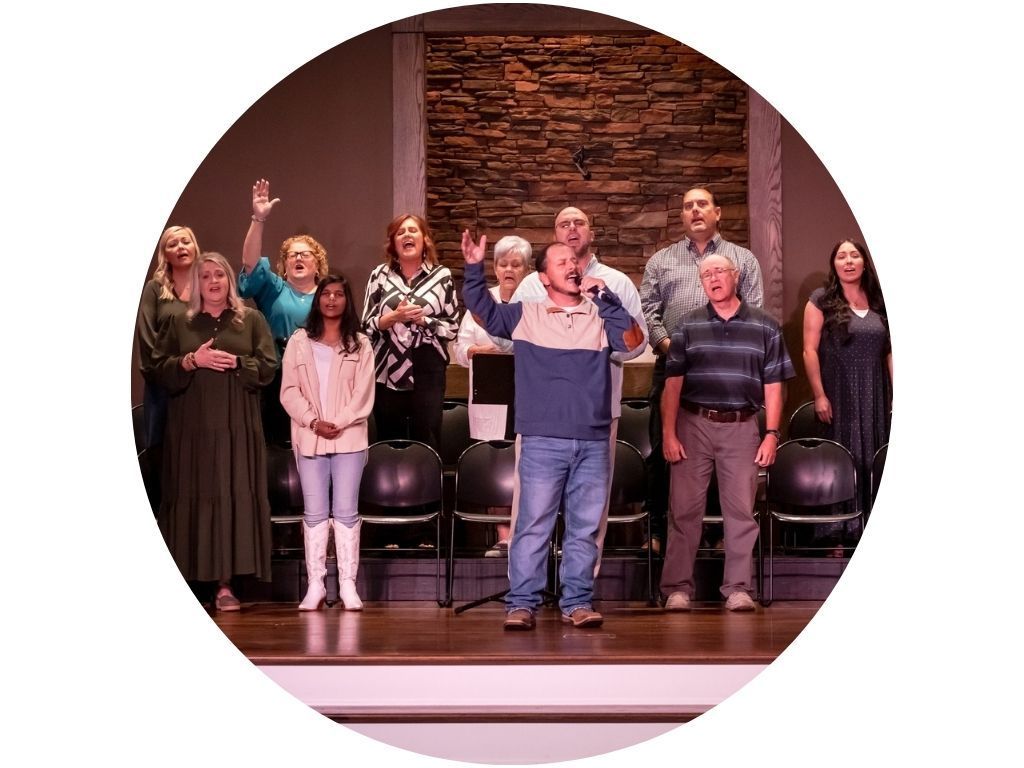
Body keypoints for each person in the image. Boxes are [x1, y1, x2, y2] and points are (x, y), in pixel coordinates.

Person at [462, 232, 644, 630]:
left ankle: (577, 601)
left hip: (593, 438)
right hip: (543, 439)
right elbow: (481, 310)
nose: (572, 266)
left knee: (584, 528)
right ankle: (522, 603)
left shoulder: (600, 313)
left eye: (574, 262)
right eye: (561, 262)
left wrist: (608, 298)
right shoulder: (526, 313)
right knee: (532, 524)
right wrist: (474, 268)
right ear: (543, 277)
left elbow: (632, 343)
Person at [502, 207, 648, 568]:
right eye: (564, 224)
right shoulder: (533, 285)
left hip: (596, 413)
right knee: (531, 509)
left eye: (579, 222)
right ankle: (524, 590)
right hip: (543, 420)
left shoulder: (617, 282)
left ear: (591, 233)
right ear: (554, 235)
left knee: (589, 513)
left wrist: (600, 331)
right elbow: (506, 339)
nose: (572, 229)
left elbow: (637, 344)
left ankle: (581, 590)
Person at [660, 252, 794, 612]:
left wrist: (771, 434)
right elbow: (672, 386)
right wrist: (669, 434)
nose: (713, 278)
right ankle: (677, 589)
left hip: (742, 426)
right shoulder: (686, 325)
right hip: (692, 425)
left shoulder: (765, 326)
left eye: (719, 271)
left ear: (735, 276)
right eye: (706, 274)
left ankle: (737, 588)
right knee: (684, 511)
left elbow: (774, 387)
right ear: (700, 283)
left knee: (740, 513)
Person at [147, 252, 278, 611]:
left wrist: (237, 362)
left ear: (229, 280)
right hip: (192, 430)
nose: (214, 281)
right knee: (191, 492)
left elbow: (268, 368)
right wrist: (191, 360)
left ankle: (225, 585)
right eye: (206, 276)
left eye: (219, 274)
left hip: (238, 427)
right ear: (197, 284)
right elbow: (157, 369)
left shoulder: (249, 320)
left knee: (231, 491)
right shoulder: (178, 323)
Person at [640, 186, 765, 553]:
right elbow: (649, 312)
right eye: (688, 206)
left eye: (702, 204)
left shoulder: (743, 259)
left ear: (717, 212)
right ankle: (659, 532)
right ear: (682, 216)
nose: (695, 210)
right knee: (666, 448)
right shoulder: (661, 261)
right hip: (673, 369)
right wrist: (672, 348)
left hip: (726, 374)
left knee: (722, 453)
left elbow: (754, 312)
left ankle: (717, 534)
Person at [280, 274, 375, 611]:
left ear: (347, 301)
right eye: (326, 294)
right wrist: (313, 421)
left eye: (338, 294)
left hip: (349, 437)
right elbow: (289, 390)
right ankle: (316, 585)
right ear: (317, 299)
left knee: (347, 512)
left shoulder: (360, 344)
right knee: (316, 512)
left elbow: (364, 393)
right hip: (310, 437)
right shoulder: (298, 342)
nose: (331, 300)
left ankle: (348, 585)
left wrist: (340, 421)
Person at [802, 239, 892, 550]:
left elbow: (890, 352)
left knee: (874, 457)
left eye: (855, 255)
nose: (848, 261)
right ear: (834, 264)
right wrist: (819, 395)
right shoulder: (821, 300)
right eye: (841, 256)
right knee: (841, 461)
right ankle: (836, 535)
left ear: (865, 262)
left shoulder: (881, 300)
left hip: (875, 392)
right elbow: (809, 351)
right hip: (838, 393)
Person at [452, 235, 531, 556]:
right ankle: (503, 535)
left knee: (526, 463)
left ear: (527, 269)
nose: (509, 270)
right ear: (494, 268)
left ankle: (525, 533)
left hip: (527, 390)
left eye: (516, 264)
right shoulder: (481, 301)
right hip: (489, 388)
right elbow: (458, 347)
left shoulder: (534, 298)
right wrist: (475, 350)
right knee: (497, 461)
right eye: (502, 264)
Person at [239, 178, 329, 445]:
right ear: (283, 263)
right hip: (277, 379)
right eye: (292, 255)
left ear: (318, 263)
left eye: (305, 254)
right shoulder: (273, 288)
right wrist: (258, 219)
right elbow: (251, 263)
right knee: (278, 444)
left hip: (320, 380)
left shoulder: (330, 294)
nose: (298, 258)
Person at [361, 214, 459, 451]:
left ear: (424, 239)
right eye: (400, 232)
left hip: (427, 365)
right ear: (393, 243)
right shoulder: (379, 275)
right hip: (386, 366)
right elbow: (366, 324)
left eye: (413, 230)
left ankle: (426, 486)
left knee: (426, 435)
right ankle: (387, 486)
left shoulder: (442, 276)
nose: (406, 235)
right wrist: (394, 317)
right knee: (388, 438)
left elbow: (452, 327)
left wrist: (423, 320)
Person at [136, 226, 199, 451]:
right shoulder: (155, 289)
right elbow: (146, 338)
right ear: (165, 254)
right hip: (163, 387)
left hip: (200, 385)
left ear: (195, 248)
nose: (180, 247)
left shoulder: (208, 287)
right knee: (164, 455)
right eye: (173, 244)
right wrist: (168, 373)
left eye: (185, 241)